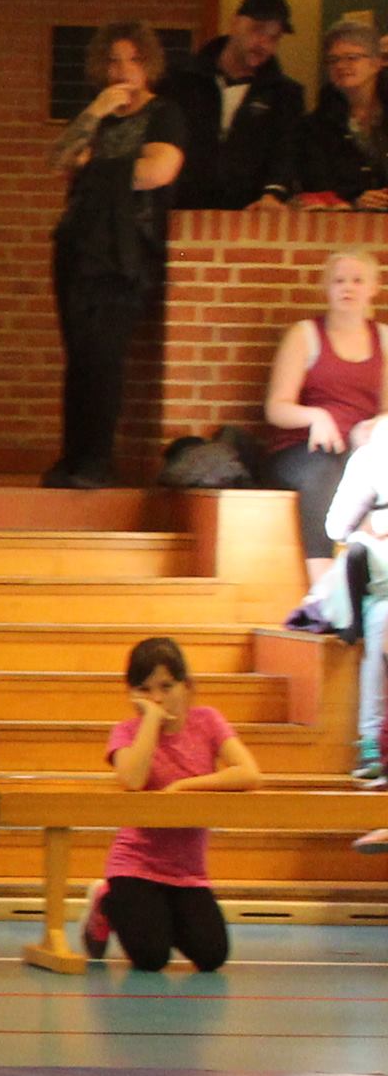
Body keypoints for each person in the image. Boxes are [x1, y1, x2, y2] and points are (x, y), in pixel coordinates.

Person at [43, 28, 180, 491]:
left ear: (149, 64)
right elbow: (59, 160)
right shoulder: (96, 116)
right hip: (78, 243)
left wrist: (93, 169)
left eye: (132, 60)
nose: (122, 71)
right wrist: (95, 112)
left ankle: (97, 461)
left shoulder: (164, 114)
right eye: (113, 61)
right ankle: (73, 457)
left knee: (104, 355)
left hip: (127, 249)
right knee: (79, 355)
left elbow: (157, 171)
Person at [86, 633, 257, 972]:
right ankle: (107, 900)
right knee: (152, 957)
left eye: (166, 686)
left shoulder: (208, 722)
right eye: (145, 689)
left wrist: (185, 786)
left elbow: (249, 773)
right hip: (136, 865)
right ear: (133, 694)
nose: (157, 698)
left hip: (188, 872)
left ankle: (159, 916)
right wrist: (150, 720)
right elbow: (133, 780)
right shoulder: (126, 731)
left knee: (212, 955)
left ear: (187, 686)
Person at [262, 249, 386, 556]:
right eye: (339, 281)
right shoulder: (305, 335)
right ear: (326, 288)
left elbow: (386, 410)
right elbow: (276, 408)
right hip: (303, 450)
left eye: (357, 281)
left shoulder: (383, 339)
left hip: (358, 450)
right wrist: (316, 416)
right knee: (323, 474)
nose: (347, 288)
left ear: (373, 288)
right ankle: (320, 575)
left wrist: (373, 428)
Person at [162, 0, 303, 213]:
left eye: (273, 38)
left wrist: (273, 194)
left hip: (248, 215)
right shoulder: (180, 81)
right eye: (257, 30)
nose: (263, 44)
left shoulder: (285, 94)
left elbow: (285, 153)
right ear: (235, 24)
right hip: (180, 210)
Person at [291, 25, 388, 211]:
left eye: (352, 58)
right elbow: (317, 183)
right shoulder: (315, 125)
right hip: (344, 220)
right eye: (333, 60)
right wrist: (355, 200)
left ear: (376, 63)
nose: (341, 66)